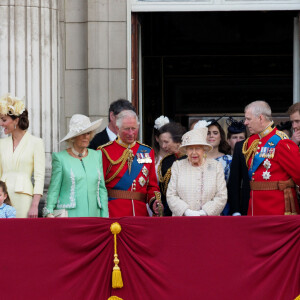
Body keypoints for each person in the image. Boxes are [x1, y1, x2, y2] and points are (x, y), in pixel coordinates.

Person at [100, 110, 162, 217]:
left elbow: (152, 186)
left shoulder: (147, 151)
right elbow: (99, 186)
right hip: (114, 213)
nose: (131, 133)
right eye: (126, 129)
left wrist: (154, 202)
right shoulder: (104, 151)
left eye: (134, 129)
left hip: (140, 214)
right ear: (117, 129)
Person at [44, 114, 108, 217]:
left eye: (88, 133)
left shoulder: (96, 155)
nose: (86, 137)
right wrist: (49, 211)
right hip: (70, 216)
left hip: (94, 215)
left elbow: (101, 189)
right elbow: (54, 188)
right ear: (73, 137)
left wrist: (105, 216)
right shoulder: (60, 158)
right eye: (81, 133)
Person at [243, 100, 300, 215]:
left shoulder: (281, 142)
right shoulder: (252, 141)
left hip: (276, 209)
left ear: (260, 118)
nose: (245, 123)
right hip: (255, 208)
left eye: (248, 119)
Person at [166, 123, 227, 216]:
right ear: (186, 151)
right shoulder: (177, 166)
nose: (194, 152)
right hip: (183, 221)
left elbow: (221, 196)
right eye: (190, 149)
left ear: (204, 150)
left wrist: (204, 212)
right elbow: (171, 195)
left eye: (198, 148)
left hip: (209, 220)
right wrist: (187, 212)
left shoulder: (216, 166)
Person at [0, 93, 45, 218]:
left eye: (4, 120)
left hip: (24, 198)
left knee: (22, 235)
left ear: (16, 120)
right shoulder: (1, 144)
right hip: (2, 199)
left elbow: (39, 177)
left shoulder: (36, 142)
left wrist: (35, 205)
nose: (1, 123)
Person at [157, 122, 187, 216]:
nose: (163, 146)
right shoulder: (165, 161)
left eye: (166, 142)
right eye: (162, 142)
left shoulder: (190, 159)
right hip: (168, 212)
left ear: (178, 141)